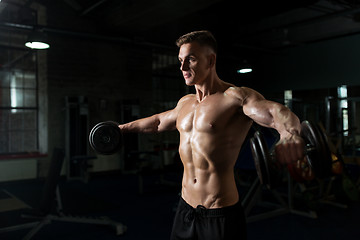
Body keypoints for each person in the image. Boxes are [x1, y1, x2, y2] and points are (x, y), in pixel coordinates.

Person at [118, 30, 305, 240]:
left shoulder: (234, 97)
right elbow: (158, 122)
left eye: (191, 59)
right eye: (180, 60)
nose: (182, 67)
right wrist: (121, 129)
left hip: (220, 213)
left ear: (211, 60)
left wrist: (289, 133)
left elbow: (275, 112)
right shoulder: (185, 104)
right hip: (185, 209)